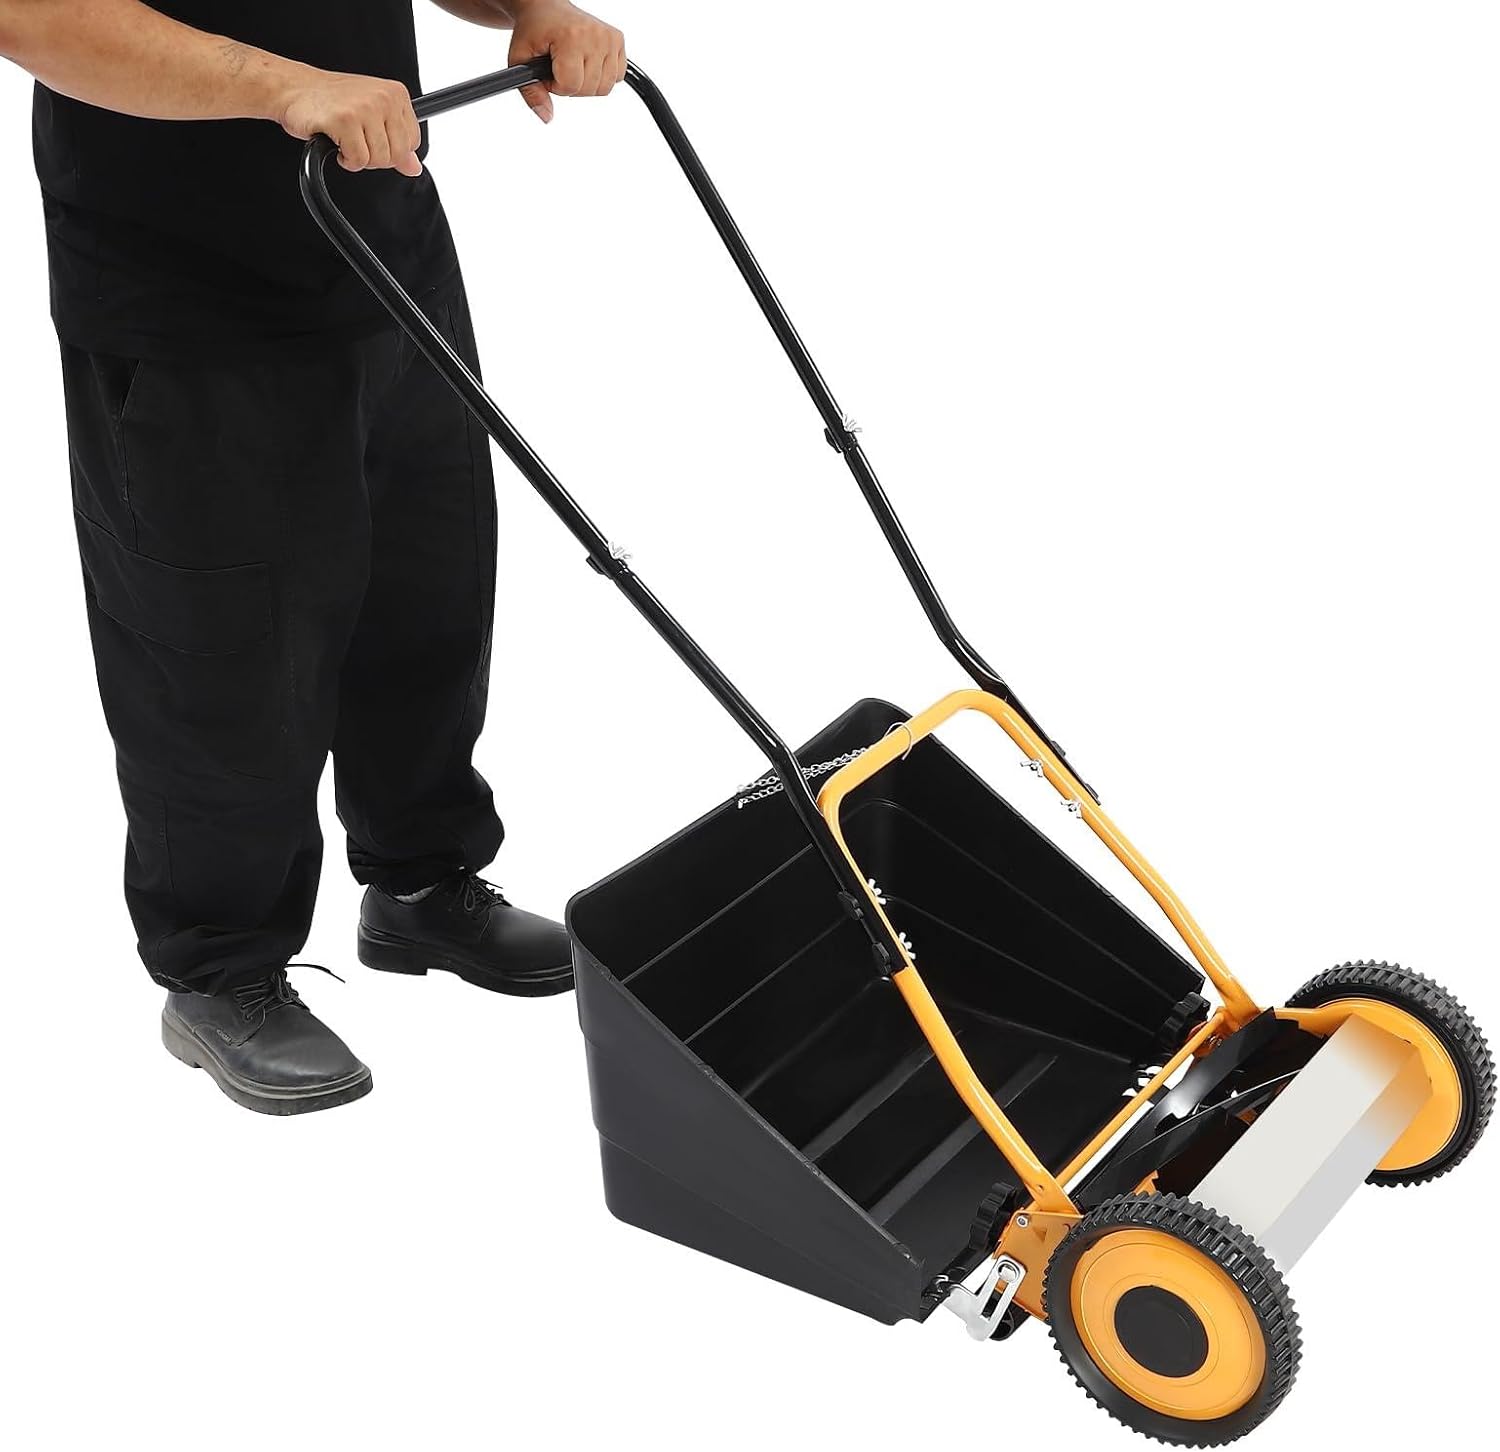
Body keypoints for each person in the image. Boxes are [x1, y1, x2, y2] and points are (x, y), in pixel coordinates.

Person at [1, 1, 626, 1114]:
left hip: (380, 244)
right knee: (225, 654)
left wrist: (528, 6)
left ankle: (420, 885)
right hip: (186, 291)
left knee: (428, 595)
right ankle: (219, 969)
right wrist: (282, 84)